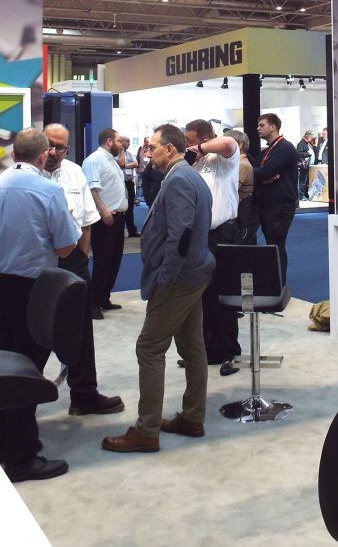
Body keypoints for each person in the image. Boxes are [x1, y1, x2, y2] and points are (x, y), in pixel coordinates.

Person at [0, 128, 82, 482]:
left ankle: (6, 442)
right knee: (28, 369)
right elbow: (65, 247)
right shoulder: (48, 191)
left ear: (12, 154)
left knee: (10, 360)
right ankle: (21, 456)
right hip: (33, 289)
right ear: (43, 155)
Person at [101, 124, 216, 453]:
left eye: (153, 147)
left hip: (179, 279)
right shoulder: (187, 176)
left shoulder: (179, 179)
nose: (148, 153)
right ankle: (192, 417)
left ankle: (146, 430)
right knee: (192, 347)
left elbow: (180, 237)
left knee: (149, 348)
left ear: (170, 149)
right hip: (192, 274)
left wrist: (165, 279)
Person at [40, 124, 125, 416]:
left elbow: (87, 220)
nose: (53, 152)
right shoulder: (29, 175)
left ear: (67, 149)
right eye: (49, 145)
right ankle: (25, 397)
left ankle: (84, 395)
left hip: (73, 261)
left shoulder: (75, 172)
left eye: (59, 147)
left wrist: (80, 256)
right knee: (35, 331)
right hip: (38, 263)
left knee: (79, 331)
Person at [185, 119, 242, 375]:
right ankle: (208, 348)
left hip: (223, 234)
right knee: (203, 295)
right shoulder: (193, 163)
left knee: (223, 293)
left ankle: (229, 349)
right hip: (200, 236)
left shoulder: (223, 159)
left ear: (205, 139)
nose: (187, 145)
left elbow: (229, 142)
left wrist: (200, 149)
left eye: (190, 140)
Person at [83, 128, 128, 319]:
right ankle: (93, 303)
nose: (121, 144)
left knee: (114, 261)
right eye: (118, 140)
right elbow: (91, 189)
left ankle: (103, 298)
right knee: (103, 262)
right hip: (105, 219)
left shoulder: (110, 160)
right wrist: (103, 211)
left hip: (117, 218)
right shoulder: (94, 160)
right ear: (109, 141)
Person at [254, 113, 300, 276]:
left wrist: (264, 175)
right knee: (271, 245)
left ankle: (279, 284)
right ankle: (273, 281)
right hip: (269, 204)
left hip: (280, 206)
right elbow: (256, 169)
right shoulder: (269, 150)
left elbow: (265, 172)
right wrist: (263, 175)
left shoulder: (285, 147)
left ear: (273, 127)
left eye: (262, 125)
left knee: (276, 245)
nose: (258, 128)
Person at [227, 129, 256, 245]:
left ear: (239, 145)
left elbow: (231, 189)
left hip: (242, 210)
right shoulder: (238, 163)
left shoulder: (242, 165)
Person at [118, 135, 140, 238]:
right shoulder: (116, 154)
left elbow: (136, 164)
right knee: (121, 208)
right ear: (121, 142)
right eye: (127, 141)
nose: (129, 144)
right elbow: (119, 164)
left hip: (129, 183)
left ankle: (132, 231)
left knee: (130, 207)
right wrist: (125, 165)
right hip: (121, 183)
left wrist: (125, 166)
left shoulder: (129, 154)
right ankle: (120, 231)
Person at [296, 130, 316, 200]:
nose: (312, 138)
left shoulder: (307, 143)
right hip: (303, 166)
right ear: (307, 136)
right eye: (311, 136)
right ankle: (301, 196)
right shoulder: (301, 143)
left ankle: (304, 195)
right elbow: (298, 154)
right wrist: (307, 153)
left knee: (305, 181)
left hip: (307, 166)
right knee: (302, 181)